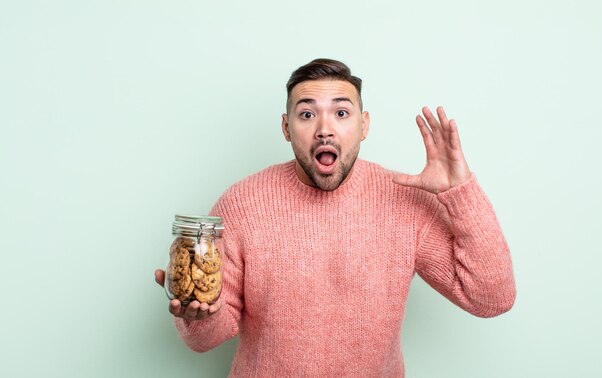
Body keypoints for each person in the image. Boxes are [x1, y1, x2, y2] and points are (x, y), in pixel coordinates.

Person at [154, 58, 516, 376]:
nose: (324, 128)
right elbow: (207, 338)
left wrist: (461, 192)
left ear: (364, 125)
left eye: (341, 113)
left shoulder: (405, 201)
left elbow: (490, 299)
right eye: (307, 114)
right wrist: (195, 316)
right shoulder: (241, 204)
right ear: (285, 127)